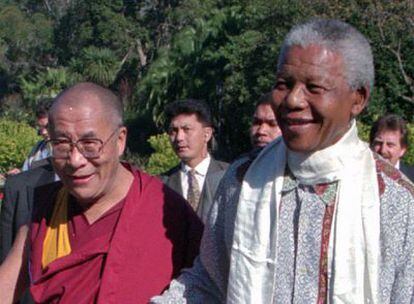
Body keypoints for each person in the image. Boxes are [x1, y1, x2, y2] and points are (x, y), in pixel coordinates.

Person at [152, 19, 414, 303]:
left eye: (314, 87)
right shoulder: (243, 180)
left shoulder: (395, 201)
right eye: (283, 84)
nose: (293, 100)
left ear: (358, 99)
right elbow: (209, 282)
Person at [0, 82, 203, 303]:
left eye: (90, 143)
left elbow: (207, 289)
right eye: (61, 144)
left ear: (120, 140)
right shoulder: (44, 213)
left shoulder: (170, 215)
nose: (75, 160)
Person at [161, 99, 228, 223]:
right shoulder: (161, 184)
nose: (179, 138)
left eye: (187, 129)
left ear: (207, 134)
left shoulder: (229, 176)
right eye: (174, 131)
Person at [370, 114, 414, 182]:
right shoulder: (358, 174)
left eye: (390, 145)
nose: (383, 150)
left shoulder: (411, 179)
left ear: (402, 150)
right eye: (378, 143)